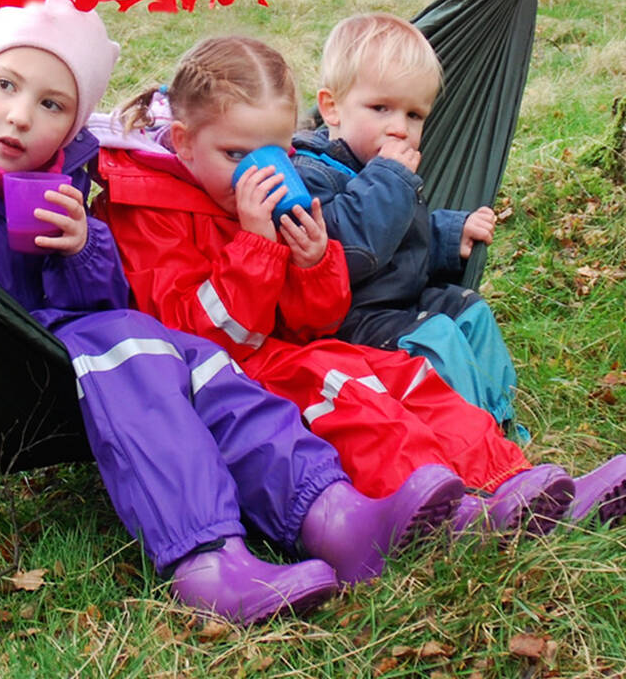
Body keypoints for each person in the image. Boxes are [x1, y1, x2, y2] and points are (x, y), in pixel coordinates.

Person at [0, 0, 468, 624]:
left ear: (71, 124)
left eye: (52, 105)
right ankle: (206, 557)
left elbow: (100, 298)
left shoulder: (65, 175)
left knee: (204, 364)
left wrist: (83, 246)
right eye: (6, 86)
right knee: (131, 344)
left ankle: (329, 513)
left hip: (57, 343)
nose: (19, 117)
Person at [91, 34, 626, 534]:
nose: (256, 173)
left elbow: (315, 319)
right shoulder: (146, 206)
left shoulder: (259, 192)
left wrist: (312, 261)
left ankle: (516, 482)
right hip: (227, 370)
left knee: (410, 376)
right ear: (183, 142)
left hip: (293, 346)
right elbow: (201, 337)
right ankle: (451, 506)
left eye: (278, 152)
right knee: (350, 394)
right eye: (236, 156)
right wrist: (254, 248)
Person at [291, 12, 517, 430]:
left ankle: (500, 423)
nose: (400, 128)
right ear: (332, 108)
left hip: (400, 303)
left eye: (415, 115)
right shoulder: (310, 174)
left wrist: (449, 235)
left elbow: (404, 238)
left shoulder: (383, 166)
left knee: (471, 312)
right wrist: (389, 179)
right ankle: (472, 441)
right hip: (349, 323)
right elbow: (354, 254)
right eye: (381, 108)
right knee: (440, 338)